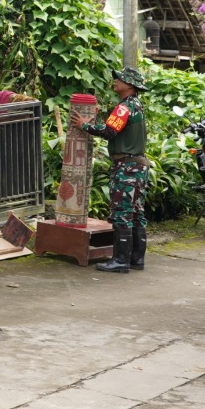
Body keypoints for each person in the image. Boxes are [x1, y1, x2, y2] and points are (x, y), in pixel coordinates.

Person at [75, 67, 149, 273]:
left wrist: (84, 125)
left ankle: (120, 261)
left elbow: (109, 131)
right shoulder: (137, 105)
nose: (115, 80)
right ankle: (136, 259)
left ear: (130, 85)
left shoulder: (125, 107)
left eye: (120, 79)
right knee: (136, 213)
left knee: (122, 213)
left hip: (126, 166)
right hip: (139, 165)